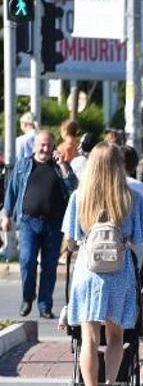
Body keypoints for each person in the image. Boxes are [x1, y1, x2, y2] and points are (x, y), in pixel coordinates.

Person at [62, 142, 143, 386]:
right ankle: (109, 385)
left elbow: (72, 241)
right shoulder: (130, 198)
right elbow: (138, 239)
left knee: (88, 338)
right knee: (115, 336)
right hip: (118, 272)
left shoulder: (79, 197)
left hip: (88, 272)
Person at [1, 131, 77, 318]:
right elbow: (11, 191)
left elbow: (73, 186)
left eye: (48, 145)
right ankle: (27, 297)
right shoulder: (23, 165)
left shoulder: (59, 167)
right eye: (41, 145)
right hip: (28, 222)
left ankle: (45, 305)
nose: (45, 149)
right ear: (35, 146)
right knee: (27, 261)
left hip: (53, 224)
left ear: (53, 146)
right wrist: (6, 215)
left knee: (49, 266)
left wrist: (63, 164)